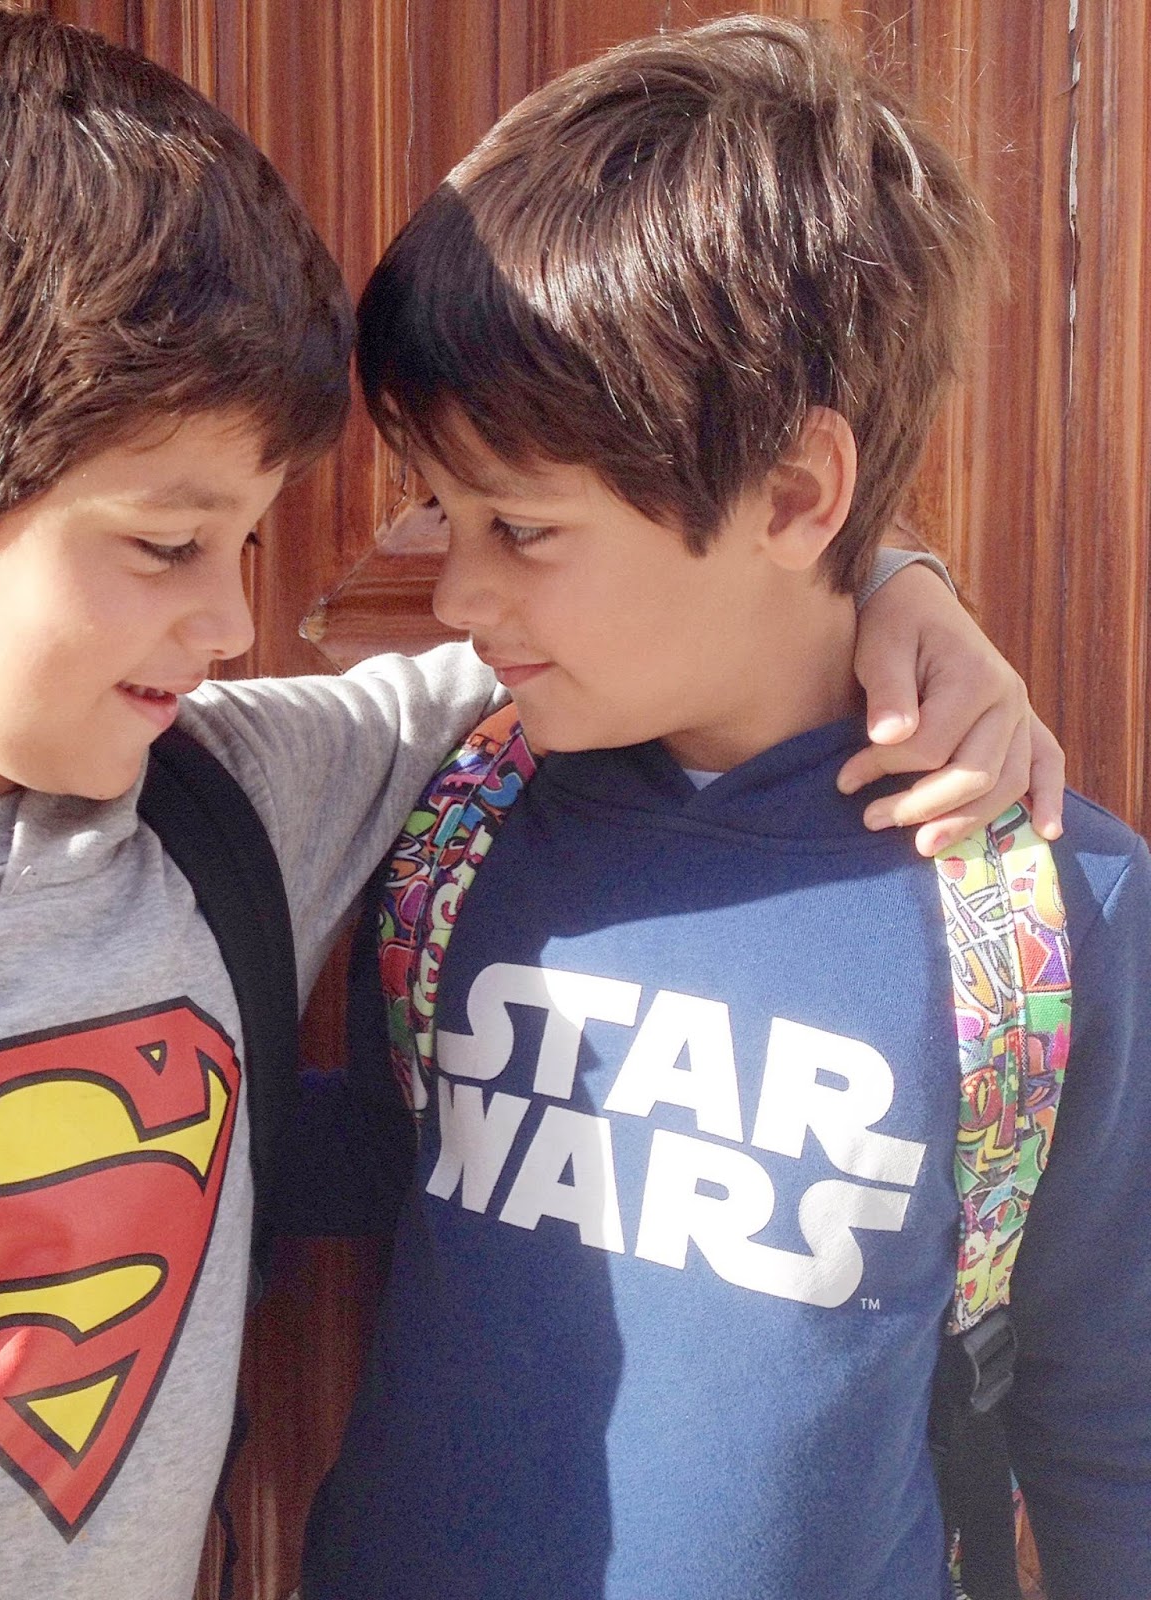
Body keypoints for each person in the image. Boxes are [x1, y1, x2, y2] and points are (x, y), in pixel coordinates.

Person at [0, 5, 1056, 1598]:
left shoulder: (222, 811)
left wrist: (891, 579)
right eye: (166, 544)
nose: (229, 622)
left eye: (250, 544)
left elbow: (659, 596)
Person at [300, 17, 1150, 1600]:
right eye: (441, 511)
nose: (457, 593)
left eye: (521, 528)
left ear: (795, 495)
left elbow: (1107, 1416)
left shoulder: (1040, 916)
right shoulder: (458, 829)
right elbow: (369, 1168)